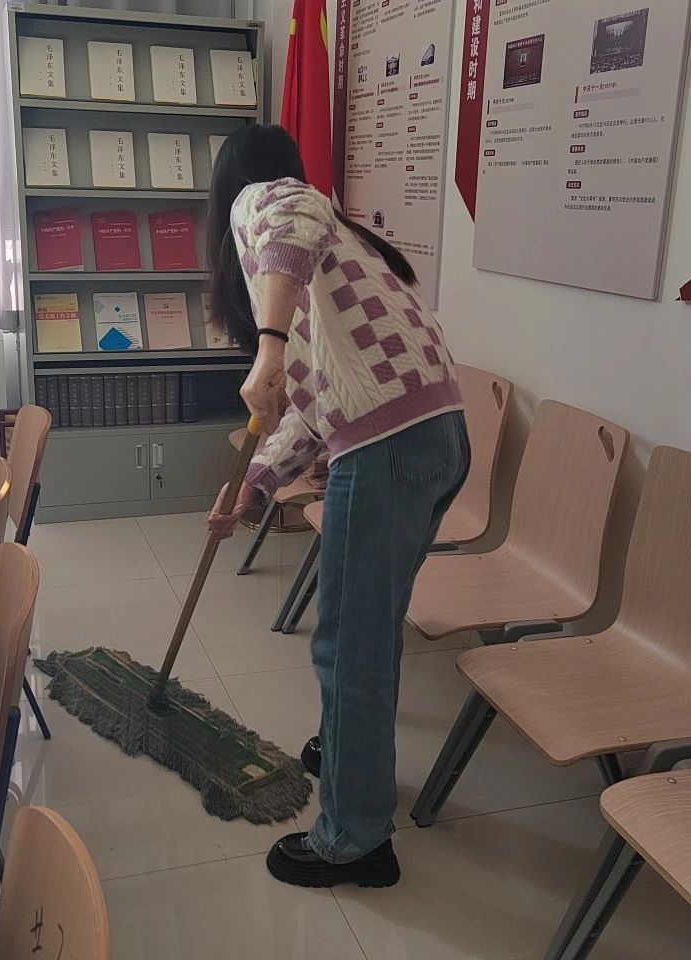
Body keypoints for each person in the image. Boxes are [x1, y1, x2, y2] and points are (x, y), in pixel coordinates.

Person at [205, 125, 469, 889]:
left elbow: (289, 209)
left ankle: (355, 839)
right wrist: (253, 486)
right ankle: (350, 753)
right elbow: (316, 409)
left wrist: (267, 346)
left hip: (390, 450)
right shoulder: (340, 254)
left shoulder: (270, 204)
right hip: (437, 439)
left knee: (348, 646)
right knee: (369, 630)